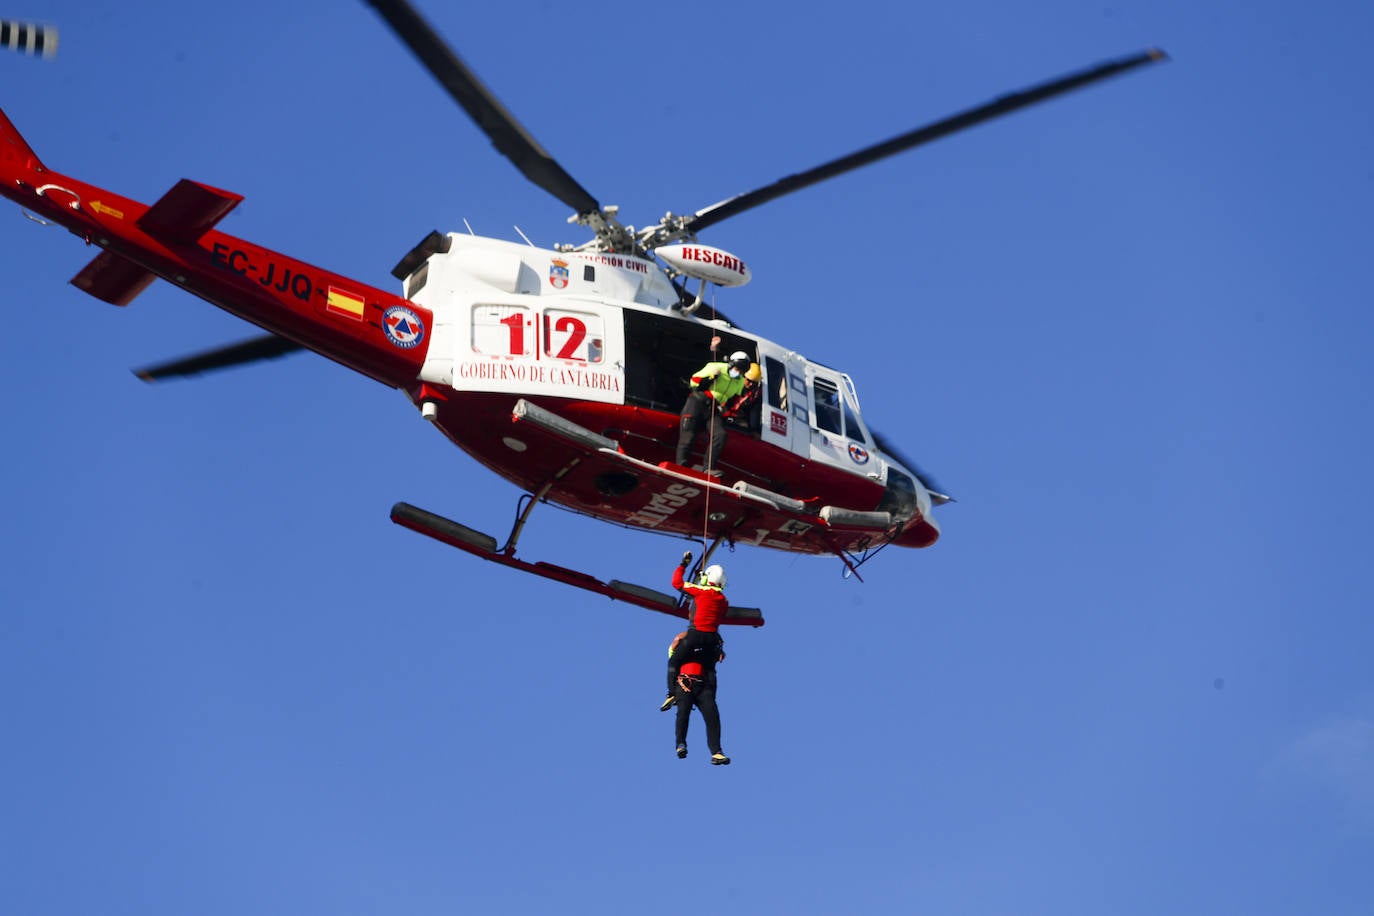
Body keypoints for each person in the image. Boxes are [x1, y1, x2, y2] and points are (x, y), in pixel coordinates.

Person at [660, 551, 728, 712]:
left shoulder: (699, 591)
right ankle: (708, 698)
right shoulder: (723, 601)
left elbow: (676, 583)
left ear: (706, 579)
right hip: (712, 640)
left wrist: (684, 564)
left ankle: (672, 692)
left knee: (673, 660)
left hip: (695, 635)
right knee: (710, 669)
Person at [675, 348, 752, 472]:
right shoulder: (716, 367)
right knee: (688, 436)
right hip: (698, 403)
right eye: (737, 369)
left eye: (742, 371)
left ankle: (708, 468)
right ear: (731, 364)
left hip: (714, 408)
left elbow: (735, 399)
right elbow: (694, 381)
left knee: (721, 435)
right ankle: (681, 466)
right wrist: (711, 378)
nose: (738, 373)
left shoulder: (740, 381)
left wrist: (730, 412)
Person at [673, 658, 730, 765]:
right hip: (685, 683)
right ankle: (680, 743)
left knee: (713, 716)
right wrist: (671, 691)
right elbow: (672, 661)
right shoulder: (684, 643)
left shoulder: (710, 649)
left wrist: (711, 695)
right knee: (683, 713)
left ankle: (716, 752)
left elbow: (712, 673)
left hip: (703, 685)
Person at [721, 362, 762, 433]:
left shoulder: (755, 394)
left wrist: (754, 430)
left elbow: (754, 413)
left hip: (737, 420)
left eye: (754, 382)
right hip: (722, 414)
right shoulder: (732, 383)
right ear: (743, 376)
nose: (751, 384)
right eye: (749, 380)